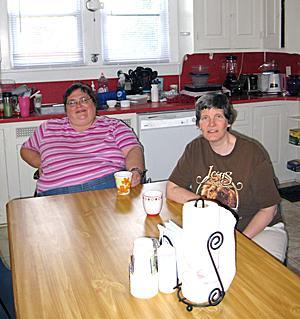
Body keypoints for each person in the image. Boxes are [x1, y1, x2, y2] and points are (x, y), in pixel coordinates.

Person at [166, 93, 287, 262]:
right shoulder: (195, 149)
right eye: (205, 118)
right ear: (198, 124)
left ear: (228, 121)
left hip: (259, 229)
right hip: (213, 227)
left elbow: (269, 209)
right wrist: (207, 204)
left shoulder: (252, 154)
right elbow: (172, 189)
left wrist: (240, 240)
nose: (211, 124)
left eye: (218, 116)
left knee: (258, 275)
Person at [20, 82, 145, 196]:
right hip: (55, 193)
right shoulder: (48, 127)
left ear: (94, 104)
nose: (79, 105)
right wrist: (42, 163)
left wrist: (135, 171)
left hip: (105, 188)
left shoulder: (114, 125)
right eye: (72, 102)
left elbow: (133, 149)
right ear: (66, 109)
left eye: (84, 100)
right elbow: (26, 149)